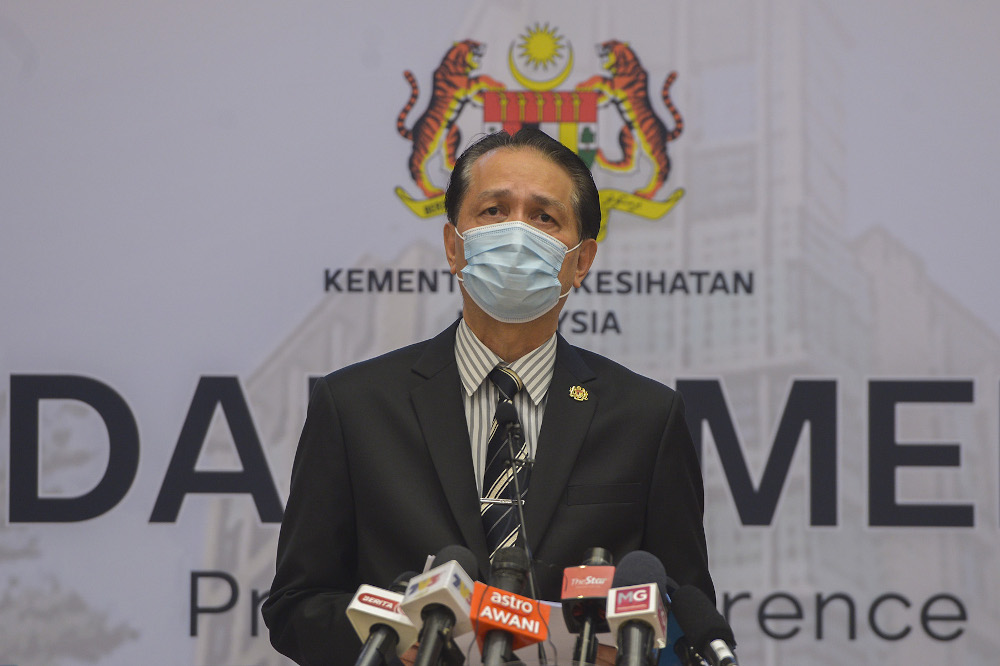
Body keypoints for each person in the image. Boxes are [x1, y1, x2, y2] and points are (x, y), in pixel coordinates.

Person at [262, 128, 713, 665]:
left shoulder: (647, 418)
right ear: (455, 246)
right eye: (494, 211)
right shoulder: (354, 406)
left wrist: (634, 653)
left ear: (581, 260)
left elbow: (688, 610)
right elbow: (297, 606)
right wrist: (395, 644)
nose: (517, 232)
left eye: (544, 217)